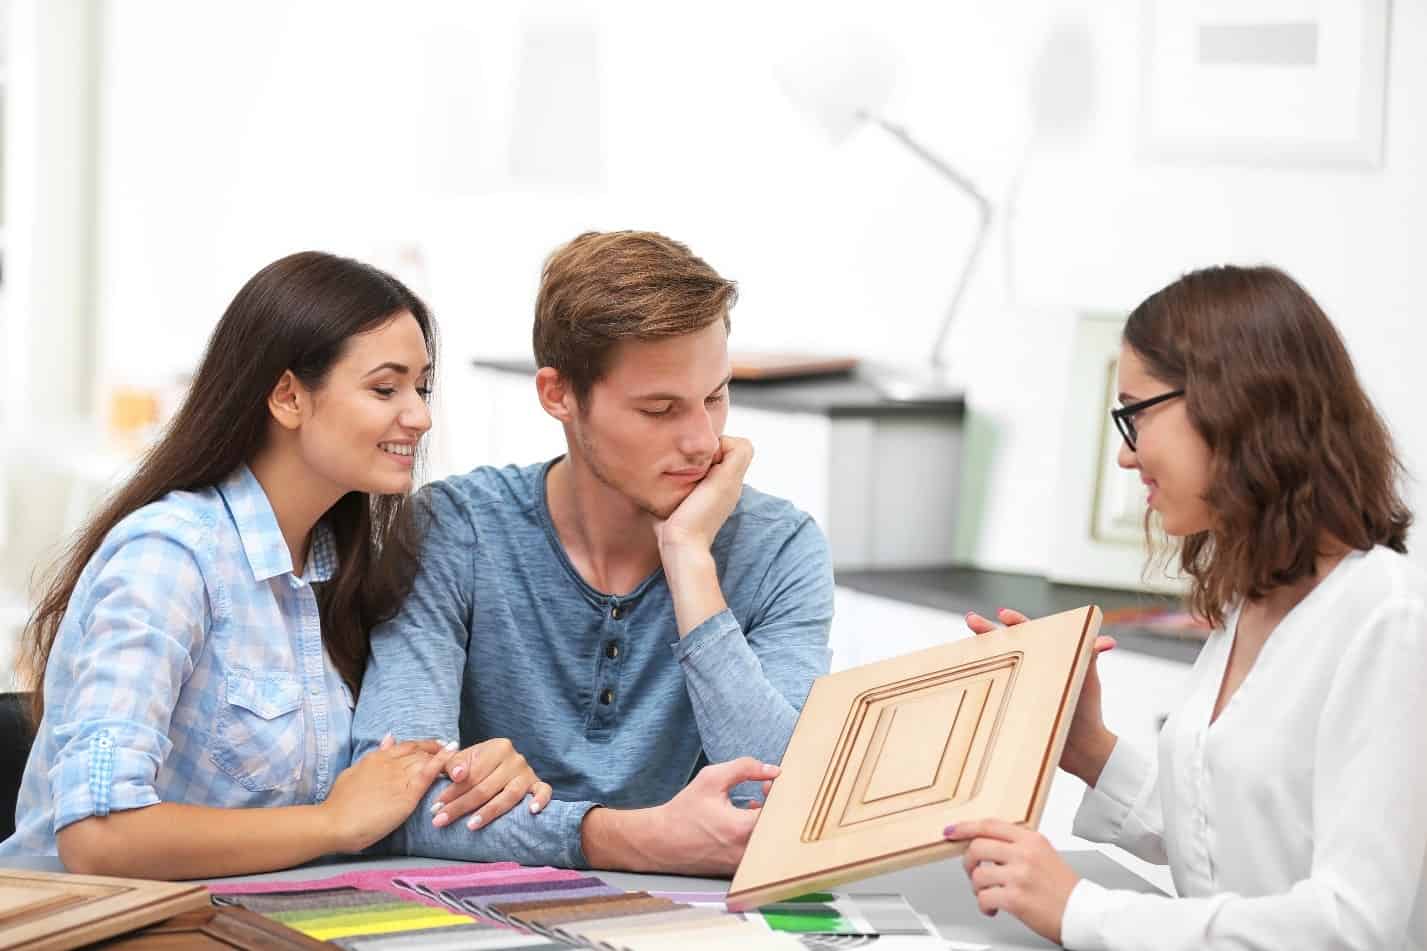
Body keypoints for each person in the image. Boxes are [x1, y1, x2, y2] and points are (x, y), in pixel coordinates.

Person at [0, 251, 547, 878]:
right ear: (288, 396)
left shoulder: (333, 568)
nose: (419, 415)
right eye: (385, 388)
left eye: (421, 388)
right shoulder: (170, 558)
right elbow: (99, 840)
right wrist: (334, 821)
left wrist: (468, 773)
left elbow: (371, 799)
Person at [944, 264, 1426, 949]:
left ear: (1231, 401)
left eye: (1134, 414)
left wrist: (1081, 908)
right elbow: (1236, 841)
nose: (1124, 455)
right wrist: (1088, 748)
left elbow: (1351, 922)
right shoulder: (1254, 605)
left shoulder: (1386, 617)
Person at [352, 230, 835, 874]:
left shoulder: (781, 548)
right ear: (558, 395)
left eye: (715, 397)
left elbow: (781, 799)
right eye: (659, 409)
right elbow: (395, 799)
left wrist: (689, 555)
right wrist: (631, 837)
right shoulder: (457, 529)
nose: (702, 440)